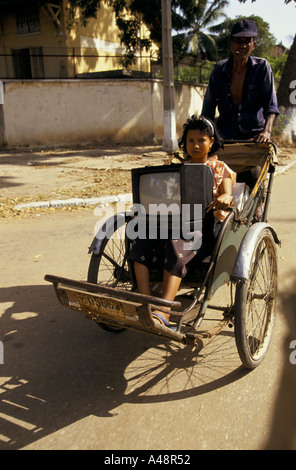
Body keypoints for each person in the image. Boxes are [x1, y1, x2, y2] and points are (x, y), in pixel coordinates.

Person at [128, 115, 236, 329]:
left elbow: (228, 193)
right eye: (190, 141)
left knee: (175, 245)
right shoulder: (175, 169)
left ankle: (164, 311)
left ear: (211, 142)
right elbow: (160, 196)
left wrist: (224, 198)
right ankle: (146, 303)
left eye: (201, 140)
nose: (195, 145)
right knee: (140, 244)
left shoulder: (219, 168)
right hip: (168, 222)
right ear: (185, 143)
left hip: (200, 228)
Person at [201, 19, 279, 144]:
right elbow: (208, 108)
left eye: (247, 41)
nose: (242, 46)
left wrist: (266, 132)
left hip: (255, 136)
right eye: (238, 40)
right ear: (231, 43)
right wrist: (203, 134)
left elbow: (271, 106)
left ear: (254, 45)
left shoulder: (262, 67)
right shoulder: (219, 70)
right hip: (224, 135)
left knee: (266, 160)